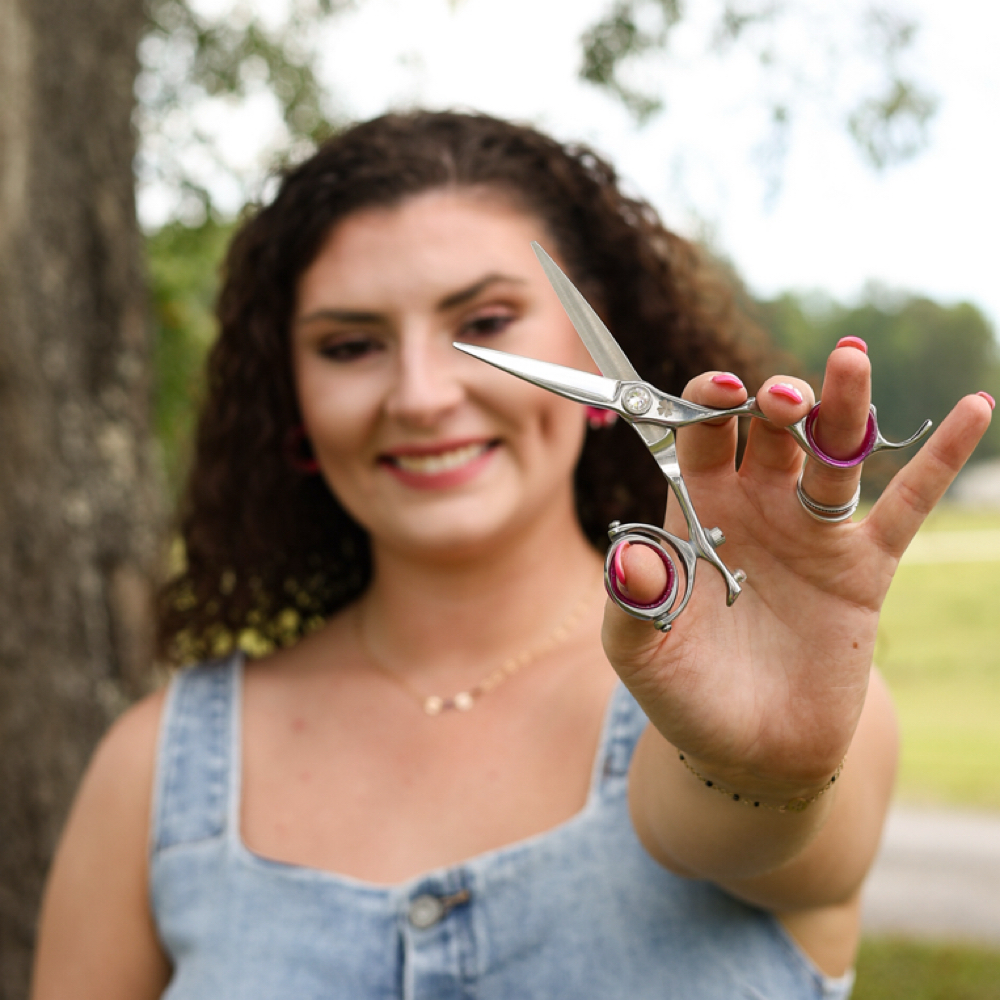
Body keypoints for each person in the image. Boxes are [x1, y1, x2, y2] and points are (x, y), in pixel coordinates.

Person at [31, 111, 993, 999]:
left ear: (593, 361)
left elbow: (747, 823)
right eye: (351, 345)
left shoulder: (782, 690)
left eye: (485, 324)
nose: (420, 394)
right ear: (291, 401)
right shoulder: (157, 765)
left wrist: (767, 776)